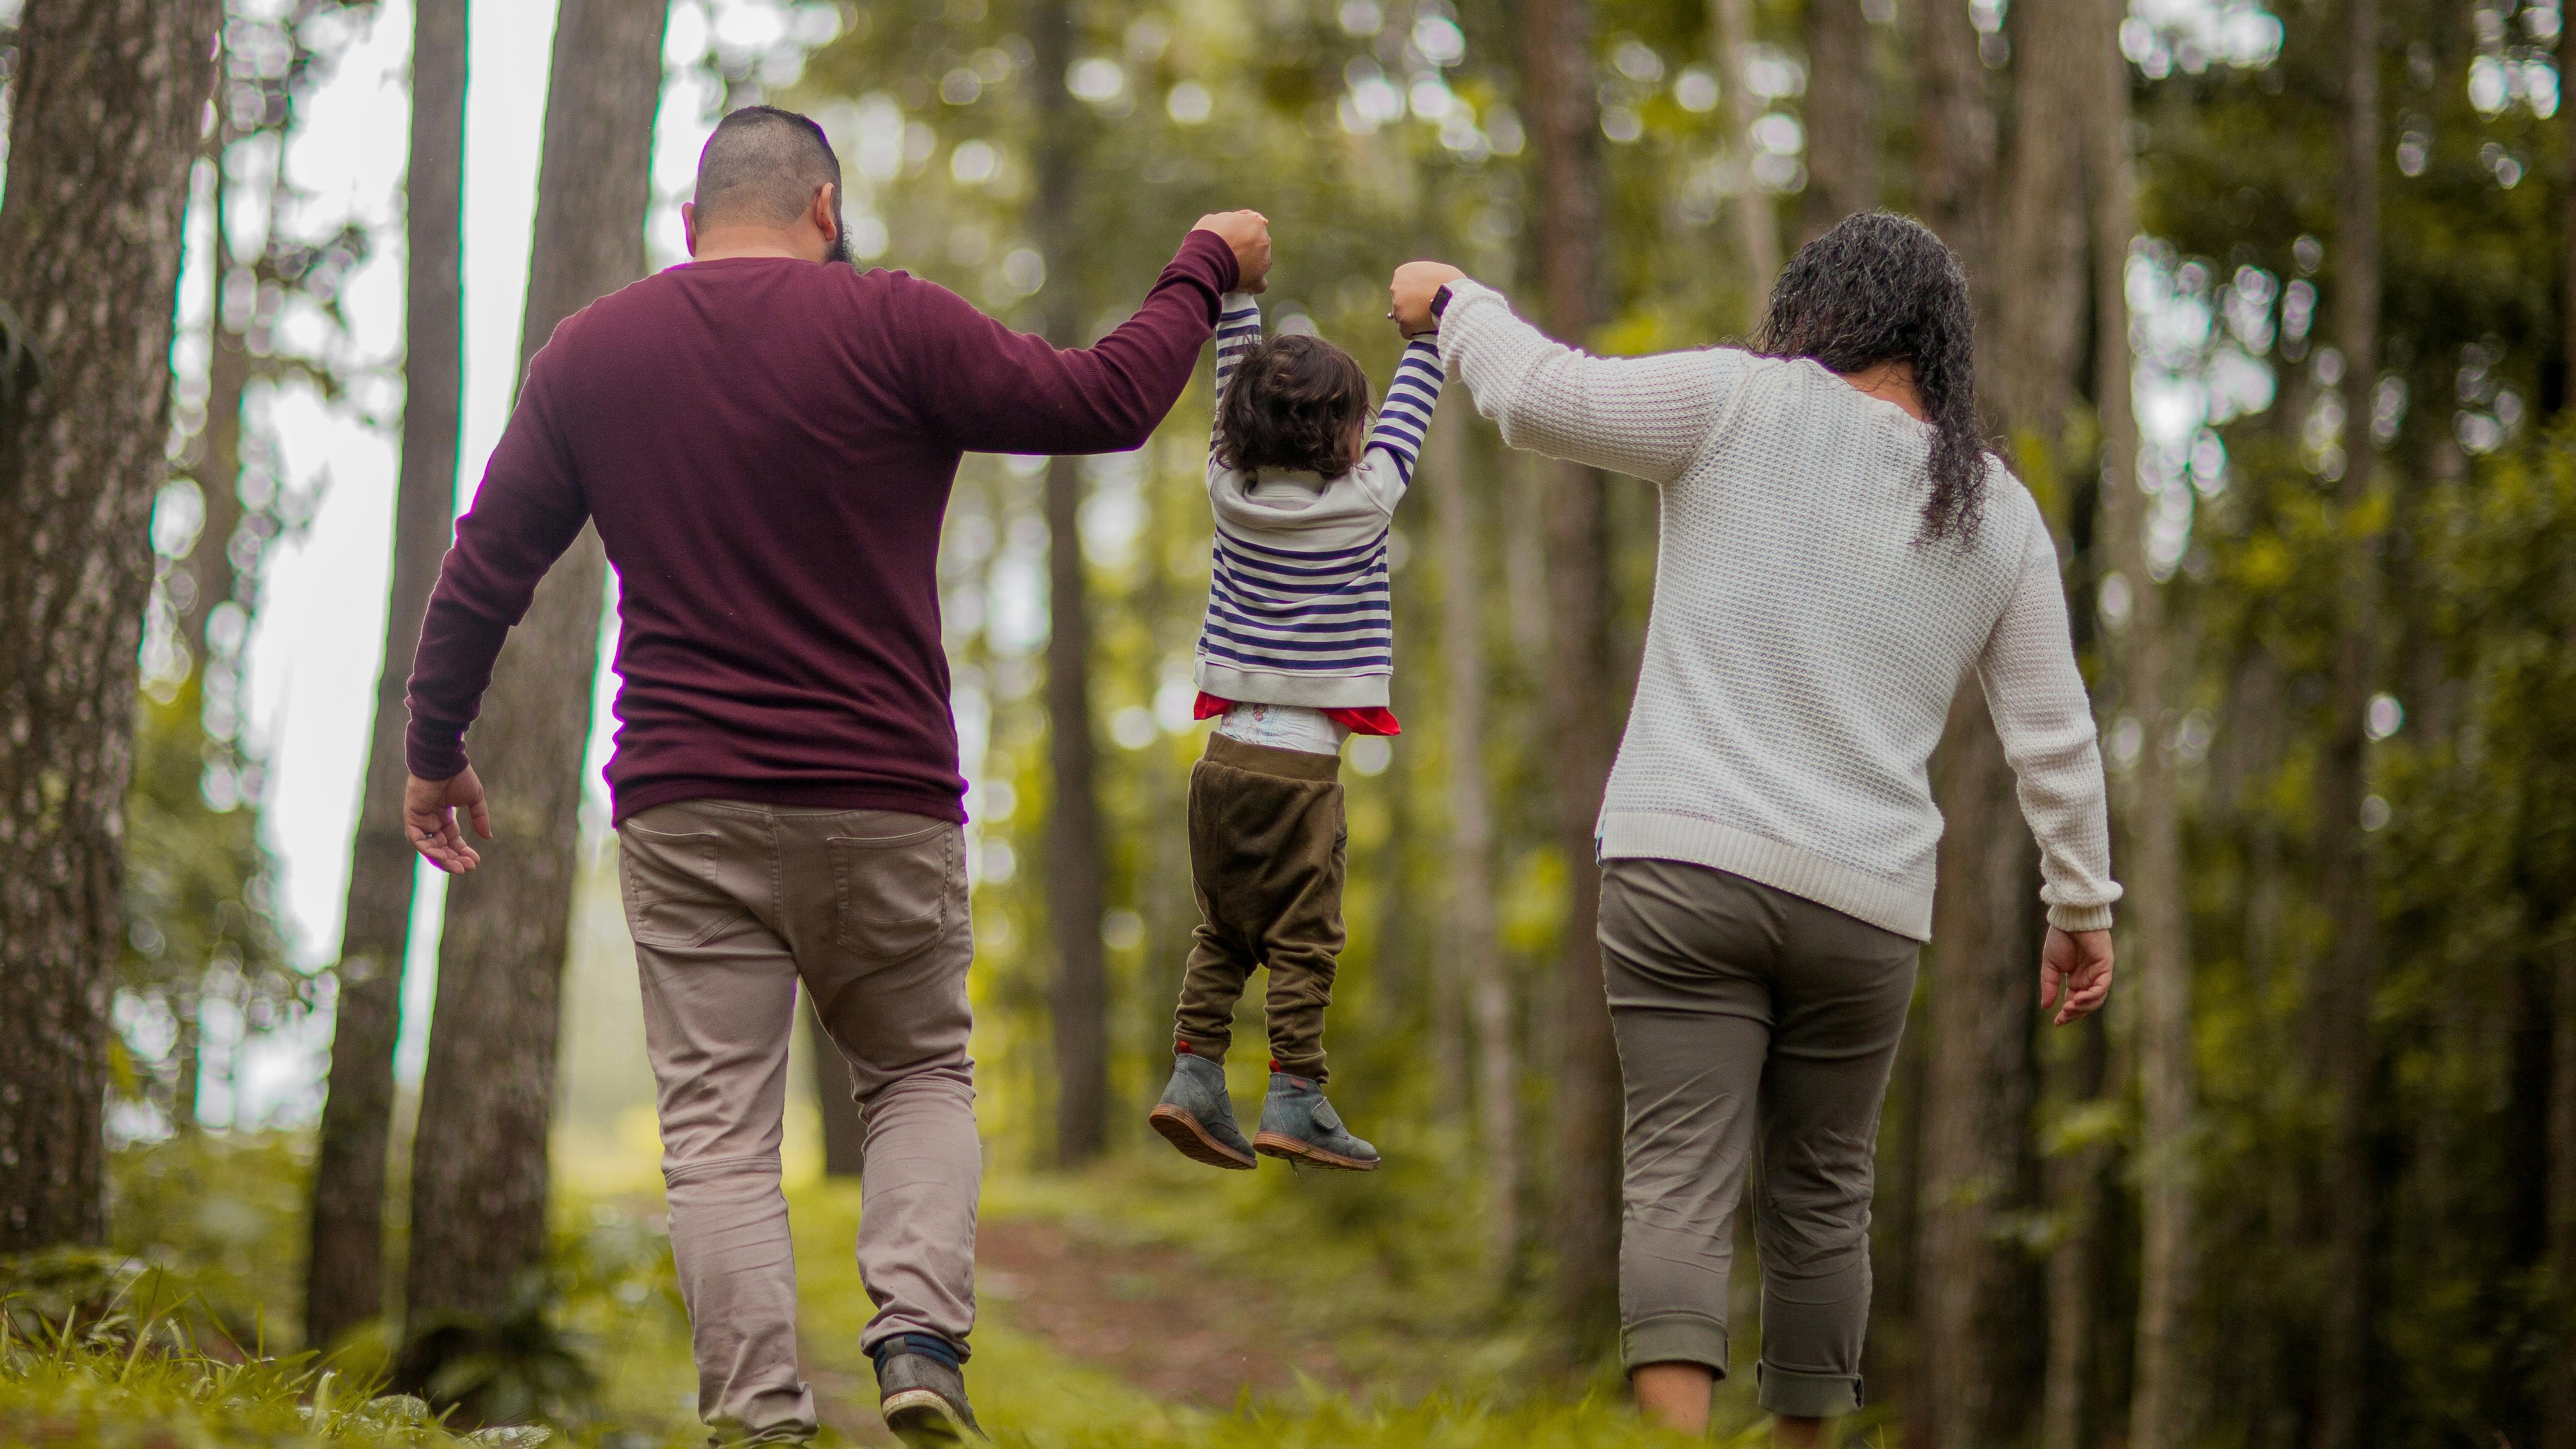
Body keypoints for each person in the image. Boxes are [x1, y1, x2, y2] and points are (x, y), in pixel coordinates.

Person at [398, 104, 1272, 1448]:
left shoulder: (594, 351)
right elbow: (1106, 401)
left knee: (718, 1131)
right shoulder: (894, 321)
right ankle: (919, 1339)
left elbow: (486, 567)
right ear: (825, 208)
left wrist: (435, 748)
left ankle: (760, 1417)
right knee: (917, 1070)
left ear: (691, 224)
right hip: (882, 792)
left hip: (687, 798)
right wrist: (1203, 262)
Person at [1386, 211, 2120, 1445]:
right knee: (1825, 1200)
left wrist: (1458, 300)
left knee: (1679, 1174)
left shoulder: (1737, 400)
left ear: (1817, 307)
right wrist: (2081, 902)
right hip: (1865, 905)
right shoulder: (1996, 512)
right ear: (1941, 346)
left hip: (1684, 864)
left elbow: (1538, 398)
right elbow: (2054, 733)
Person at [1144, 289, 1444, 1174]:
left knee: (1223, 932)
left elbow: (1226, 388)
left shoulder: (1226, 492)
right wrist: (1430, 331)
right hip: (1300, 774)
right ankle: (1296, 1094)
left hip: (1223, 763)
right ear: (1345, 435)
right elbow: (1413, 410)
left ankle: (1194, 1075)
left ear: (1240, 427)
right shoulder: (1367, 500)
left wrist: (1238, 295)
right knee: (1303, 942)